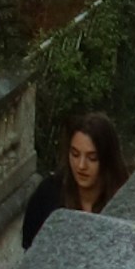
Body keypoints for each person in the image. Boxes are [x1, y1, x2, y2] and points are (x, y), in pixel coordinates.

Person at [22, 107, 126, 250]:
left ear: (107, 159)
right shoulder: (48, 194)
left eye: (92, 158)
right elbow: (29, 251)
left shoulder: (123, 202)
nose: (81, 166)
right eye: (75, 155)